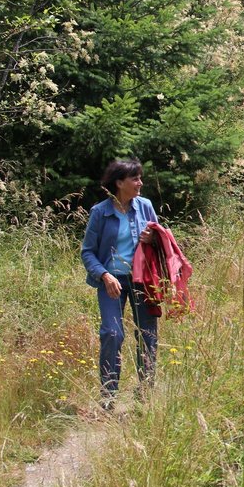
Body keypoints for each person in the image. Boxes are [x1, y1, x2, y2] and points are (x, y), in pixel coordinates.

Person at [81, 159, 159, 410]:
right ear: (119, 183)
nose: (140, 183)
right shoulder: (100, 212)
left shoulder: (145, 206)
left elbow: (162, 240)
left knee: (147, 335)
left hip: (141, 280)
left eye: (140, 178)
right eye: (135, 179)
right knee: (112, 334)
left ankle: (145, 393)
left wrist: (154, 237)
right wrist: (104, 275)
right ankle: (108, 397)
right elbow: (88, 252)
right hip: (111, 282)